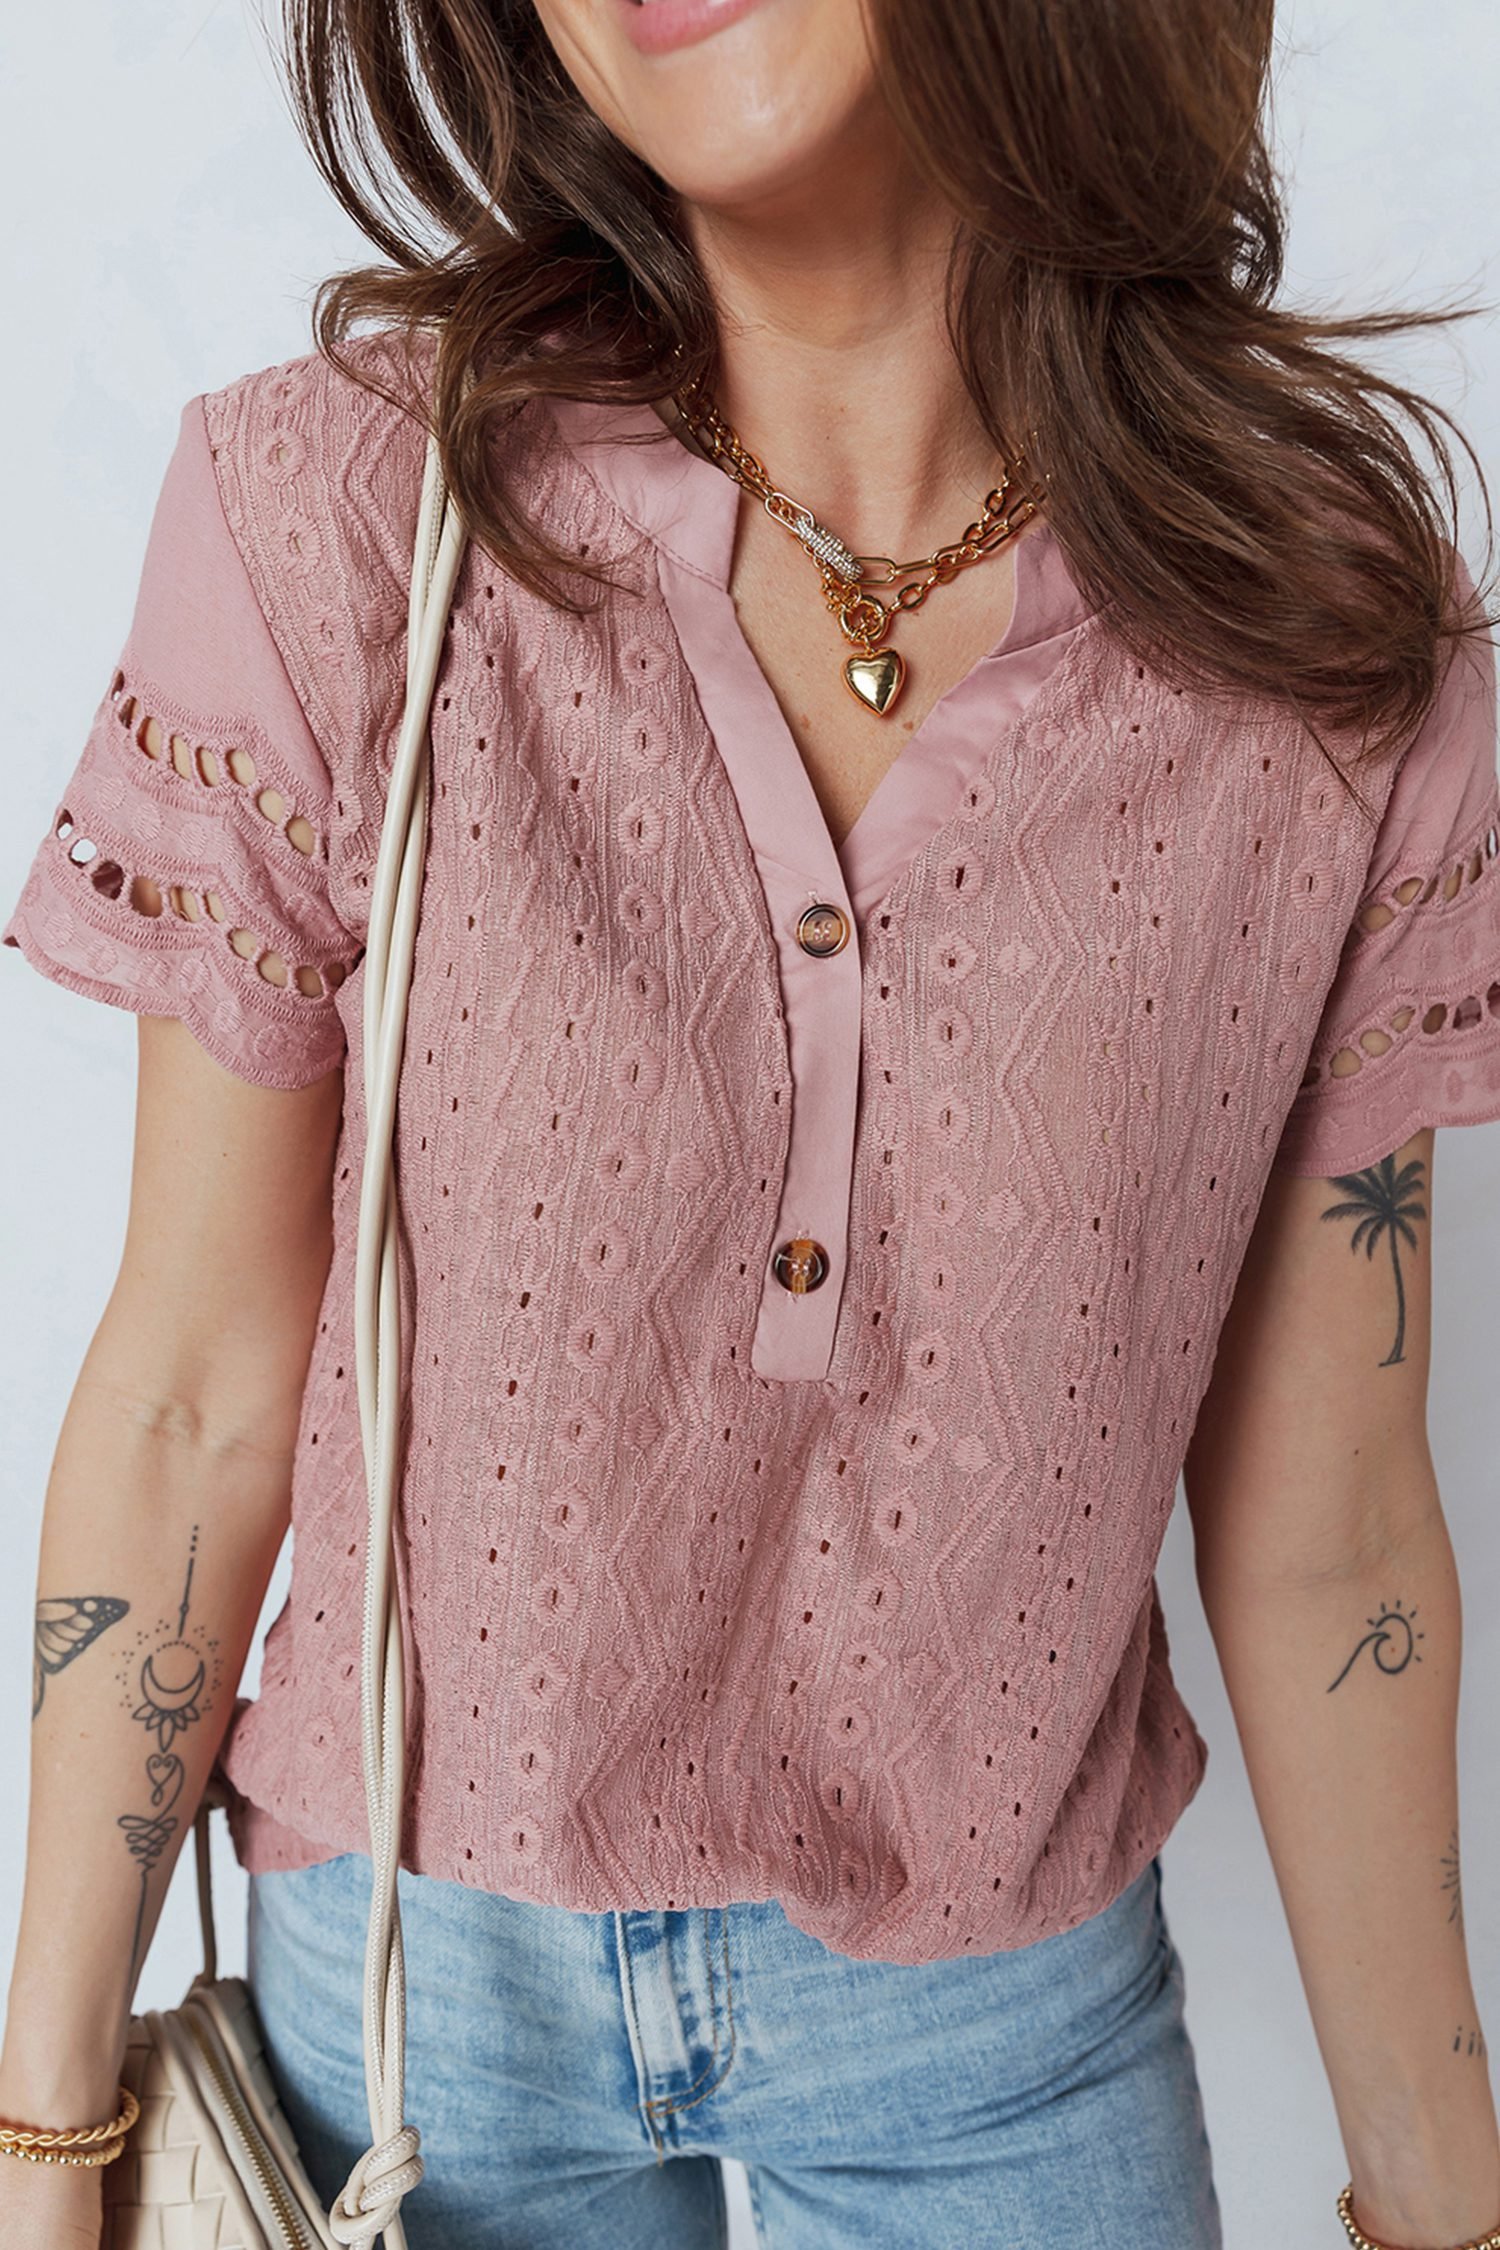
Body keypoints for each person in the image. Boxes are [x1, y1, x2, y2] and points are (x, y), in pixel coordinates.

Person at [3, 0, 1500, 2244]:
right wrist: (47, 2130)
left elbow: (1335, 1529)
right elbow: (194, 1388)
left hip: (1003, 2023)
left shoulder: (1324, 631)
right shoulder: (341, 521)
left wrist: (1442, 2199)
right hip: (410, 2002)